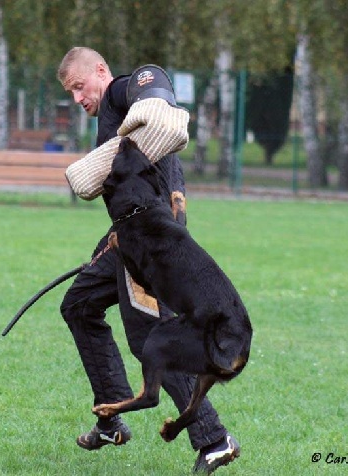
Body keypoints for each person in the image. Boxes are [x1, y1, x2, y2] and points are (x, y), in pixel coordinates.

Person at [57, 46, 241, 475]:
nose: (78, 98)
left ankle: (214, 439)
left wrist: (152, 87)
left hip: (152, 244)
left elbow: (154, 91)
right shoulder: (110, 119)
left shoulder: (121, 92)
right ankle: (110, 420)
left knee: (150, 342)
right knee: (79, 306)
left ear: (100, 72)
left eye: (79, 87)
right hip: (131, 238)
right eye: (71, 92)